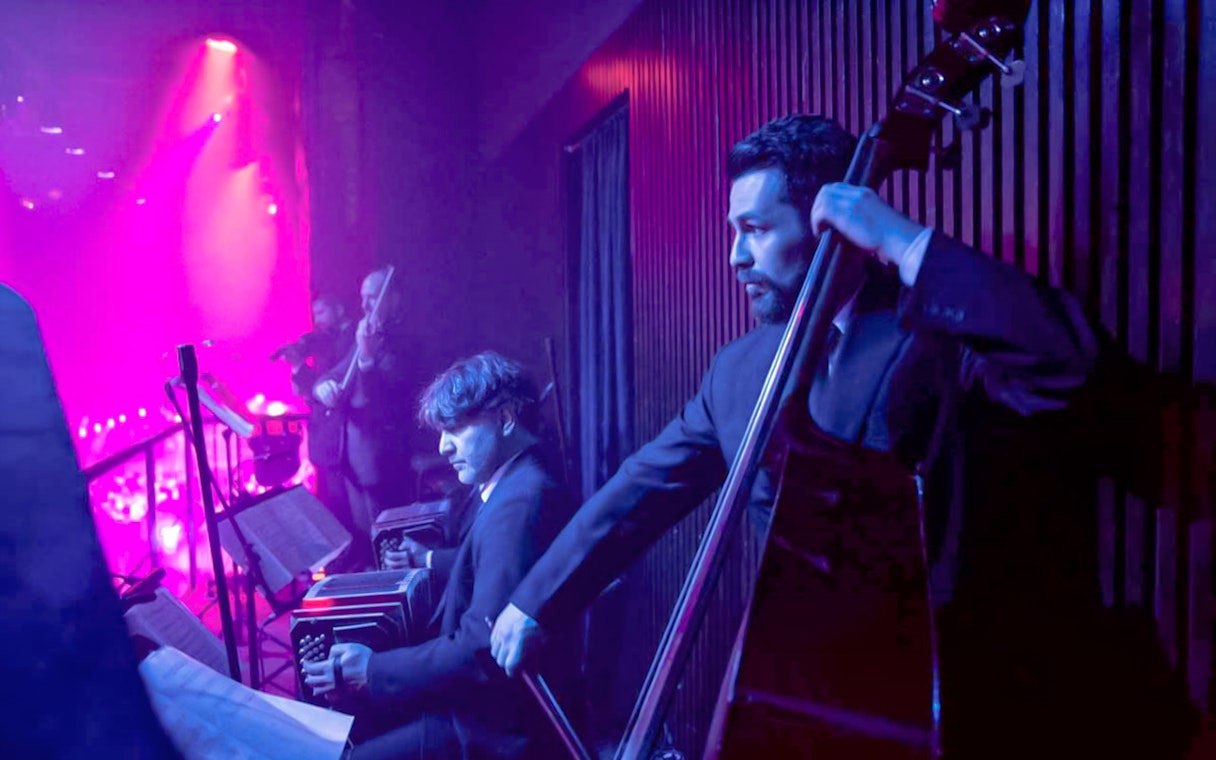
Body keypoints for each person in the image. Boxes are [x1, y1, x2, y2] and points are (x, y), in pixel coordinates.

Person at [491, 115, 1195, 757]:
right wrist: (536, 599)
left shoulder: (942, 334)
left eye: (756, 229)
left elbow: (1068, 369)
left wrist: (903, 241)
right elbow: (643, 489)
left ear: (830, 222)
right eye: (733, 231)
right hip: (806, 701)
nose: (735, 256)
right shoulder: (738, 373)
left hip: (962, 707)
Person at [302, 352, 579, 760]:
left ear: (504, 418)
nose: (443, 447)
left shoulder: (520, 503)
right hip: (481, 711)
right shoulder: (517, 483)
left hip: (487, 730)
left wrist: (373, 670)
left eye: (454, 429)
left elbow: (482, 649)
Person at [314, 269, 416, 570]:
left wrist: (368, 360)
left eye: (373, 297)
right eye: (363, 298)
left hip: (381, 461)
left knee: (385, 545)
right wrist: (324, 387)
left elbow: (383, 401)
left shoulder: (405, 341)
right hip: (352, 456)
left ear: (394, 299)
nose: (366, 306)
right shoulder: (367, 334)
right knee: (363, 542)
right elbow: (335, 373)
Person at [275, 294, 358, 542]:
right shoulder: (324, 342)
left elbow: (327, 389)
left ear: (339, 309)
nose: (317, 320)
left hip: (344, 438)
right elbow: (310, 395)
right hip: (326, 438)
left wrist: (302, 367)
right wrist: (298, 367)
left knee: (347, 508)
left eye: (322, 313)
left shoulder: (351, 339)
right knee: (333, 502)